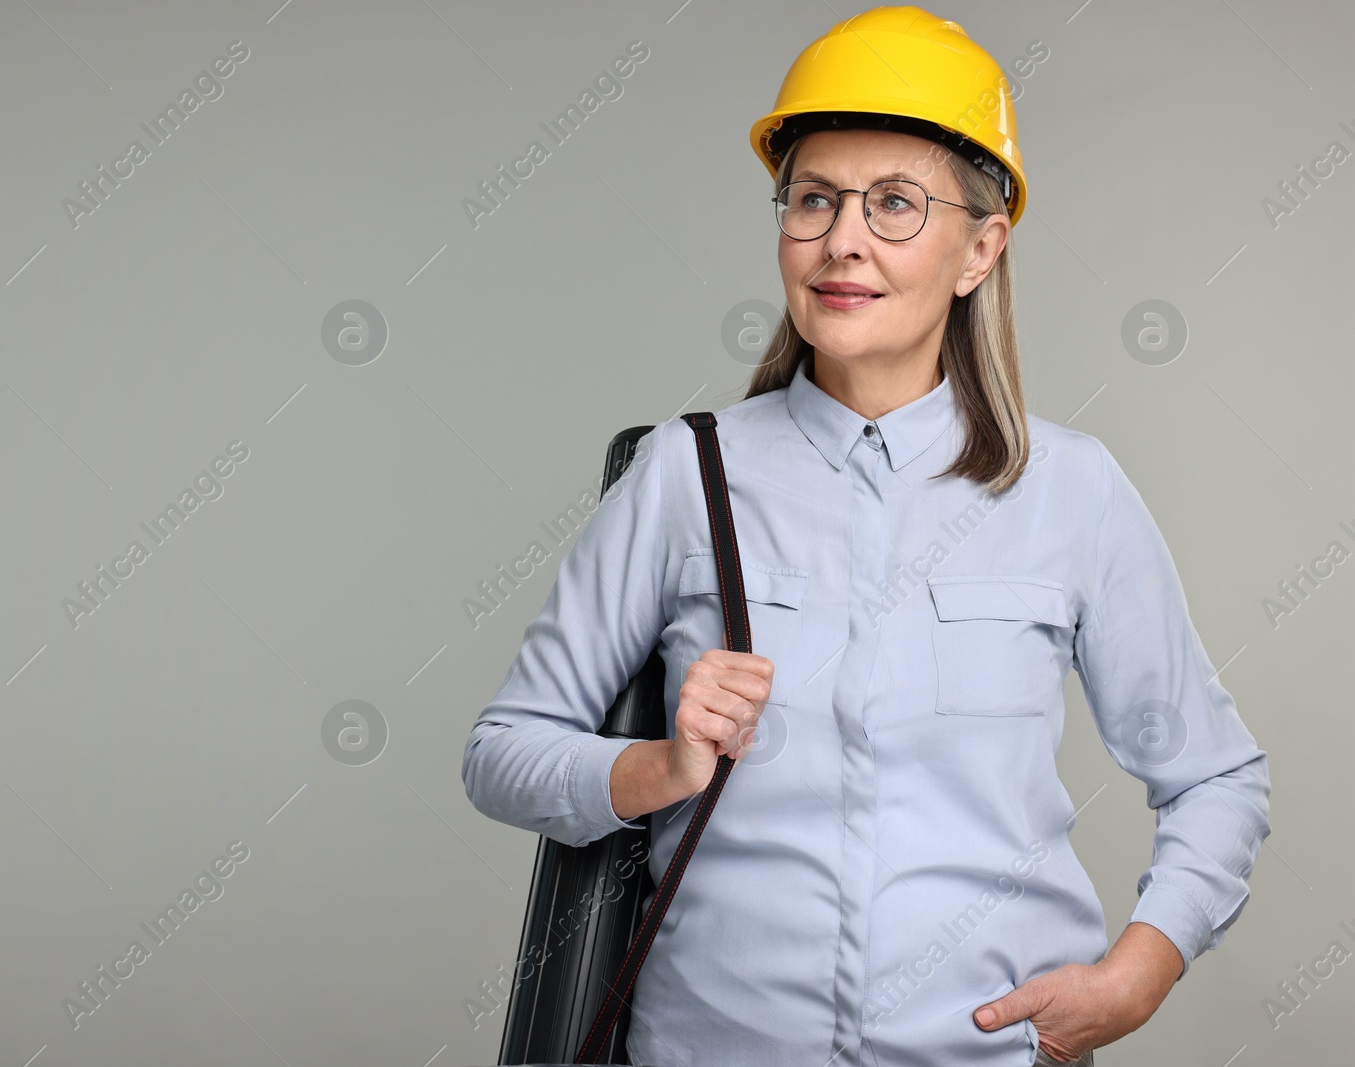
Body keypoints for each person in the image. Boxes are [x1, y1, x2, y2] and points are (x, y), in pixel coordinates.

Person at [460, 7, 1271, 1066]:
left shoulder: (1071, 490)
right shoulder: (682, 473)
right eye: (813, 199)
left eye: (894, 203)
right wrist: (661, 764)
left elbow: (1215, 776)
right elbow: (502, 754)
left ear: (981, 247)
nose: (843, 238)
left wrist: (1140, 971)